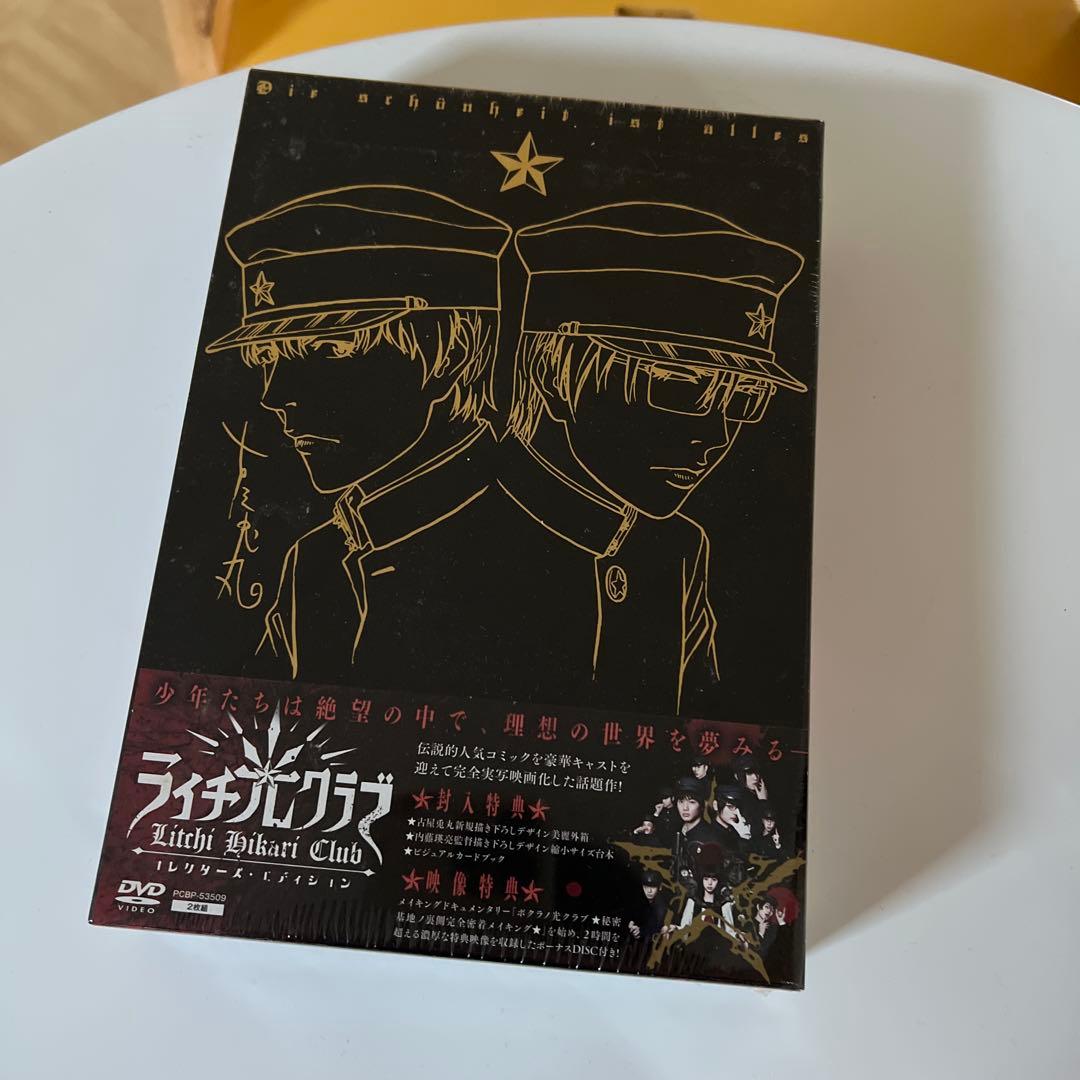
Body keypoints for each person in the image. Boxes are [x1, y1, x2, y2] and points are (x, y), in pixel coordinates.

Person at [500, 202, 807, 713]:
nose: (717, 437)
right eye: (679, 386)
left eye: (744, 397)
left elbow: (704, 731)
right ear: (554, 374)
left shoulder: (677, 547)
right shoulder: (439, 520)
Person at [205, 186, 511, 681]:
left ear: (451, 352)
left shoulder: (551, 539)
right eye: (268, 357)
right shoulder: (317, 559)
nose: (274, 395)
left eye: (328, 349)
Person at [669, 777, 722, 890]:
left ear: (702, 806)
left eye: (692, 802)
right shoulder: (679, 832)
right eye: (681, 801)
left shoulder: (710, 837)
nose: (685, 808)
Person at [626, 869, 670, 945]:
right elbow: (633, 914)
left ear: (660, 887)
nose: (649, 891)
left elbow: (657, 924)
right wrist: (631, 922)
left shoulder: (662, 905)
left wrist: (641, 931)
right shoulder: (639, 899)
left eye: (653, 887)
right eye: (646, 887)